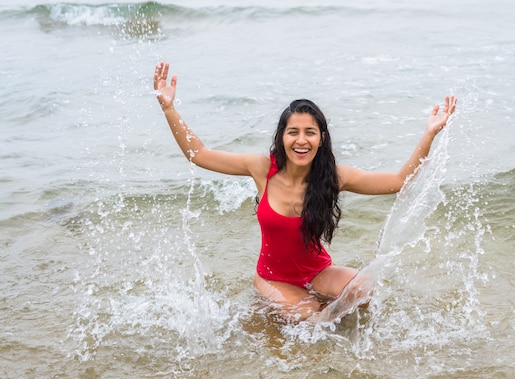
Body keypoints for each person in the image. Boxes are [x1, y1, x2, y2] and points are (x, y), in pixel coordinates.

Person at [153, 62, 456, 321]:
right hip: (273, 277)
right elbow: (200, 154)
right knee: (311, 317)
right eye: (293, 132)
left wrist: (429, 134)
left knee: (365, 291)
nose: (301, 140)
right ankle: (271, 319)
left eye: (310, 132)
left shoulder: (333, 177)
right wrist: (169, 108)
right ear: (282, 137)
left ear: (321, 138)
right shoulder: (261, 169)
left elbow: (399, 181)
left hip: (317, 271)